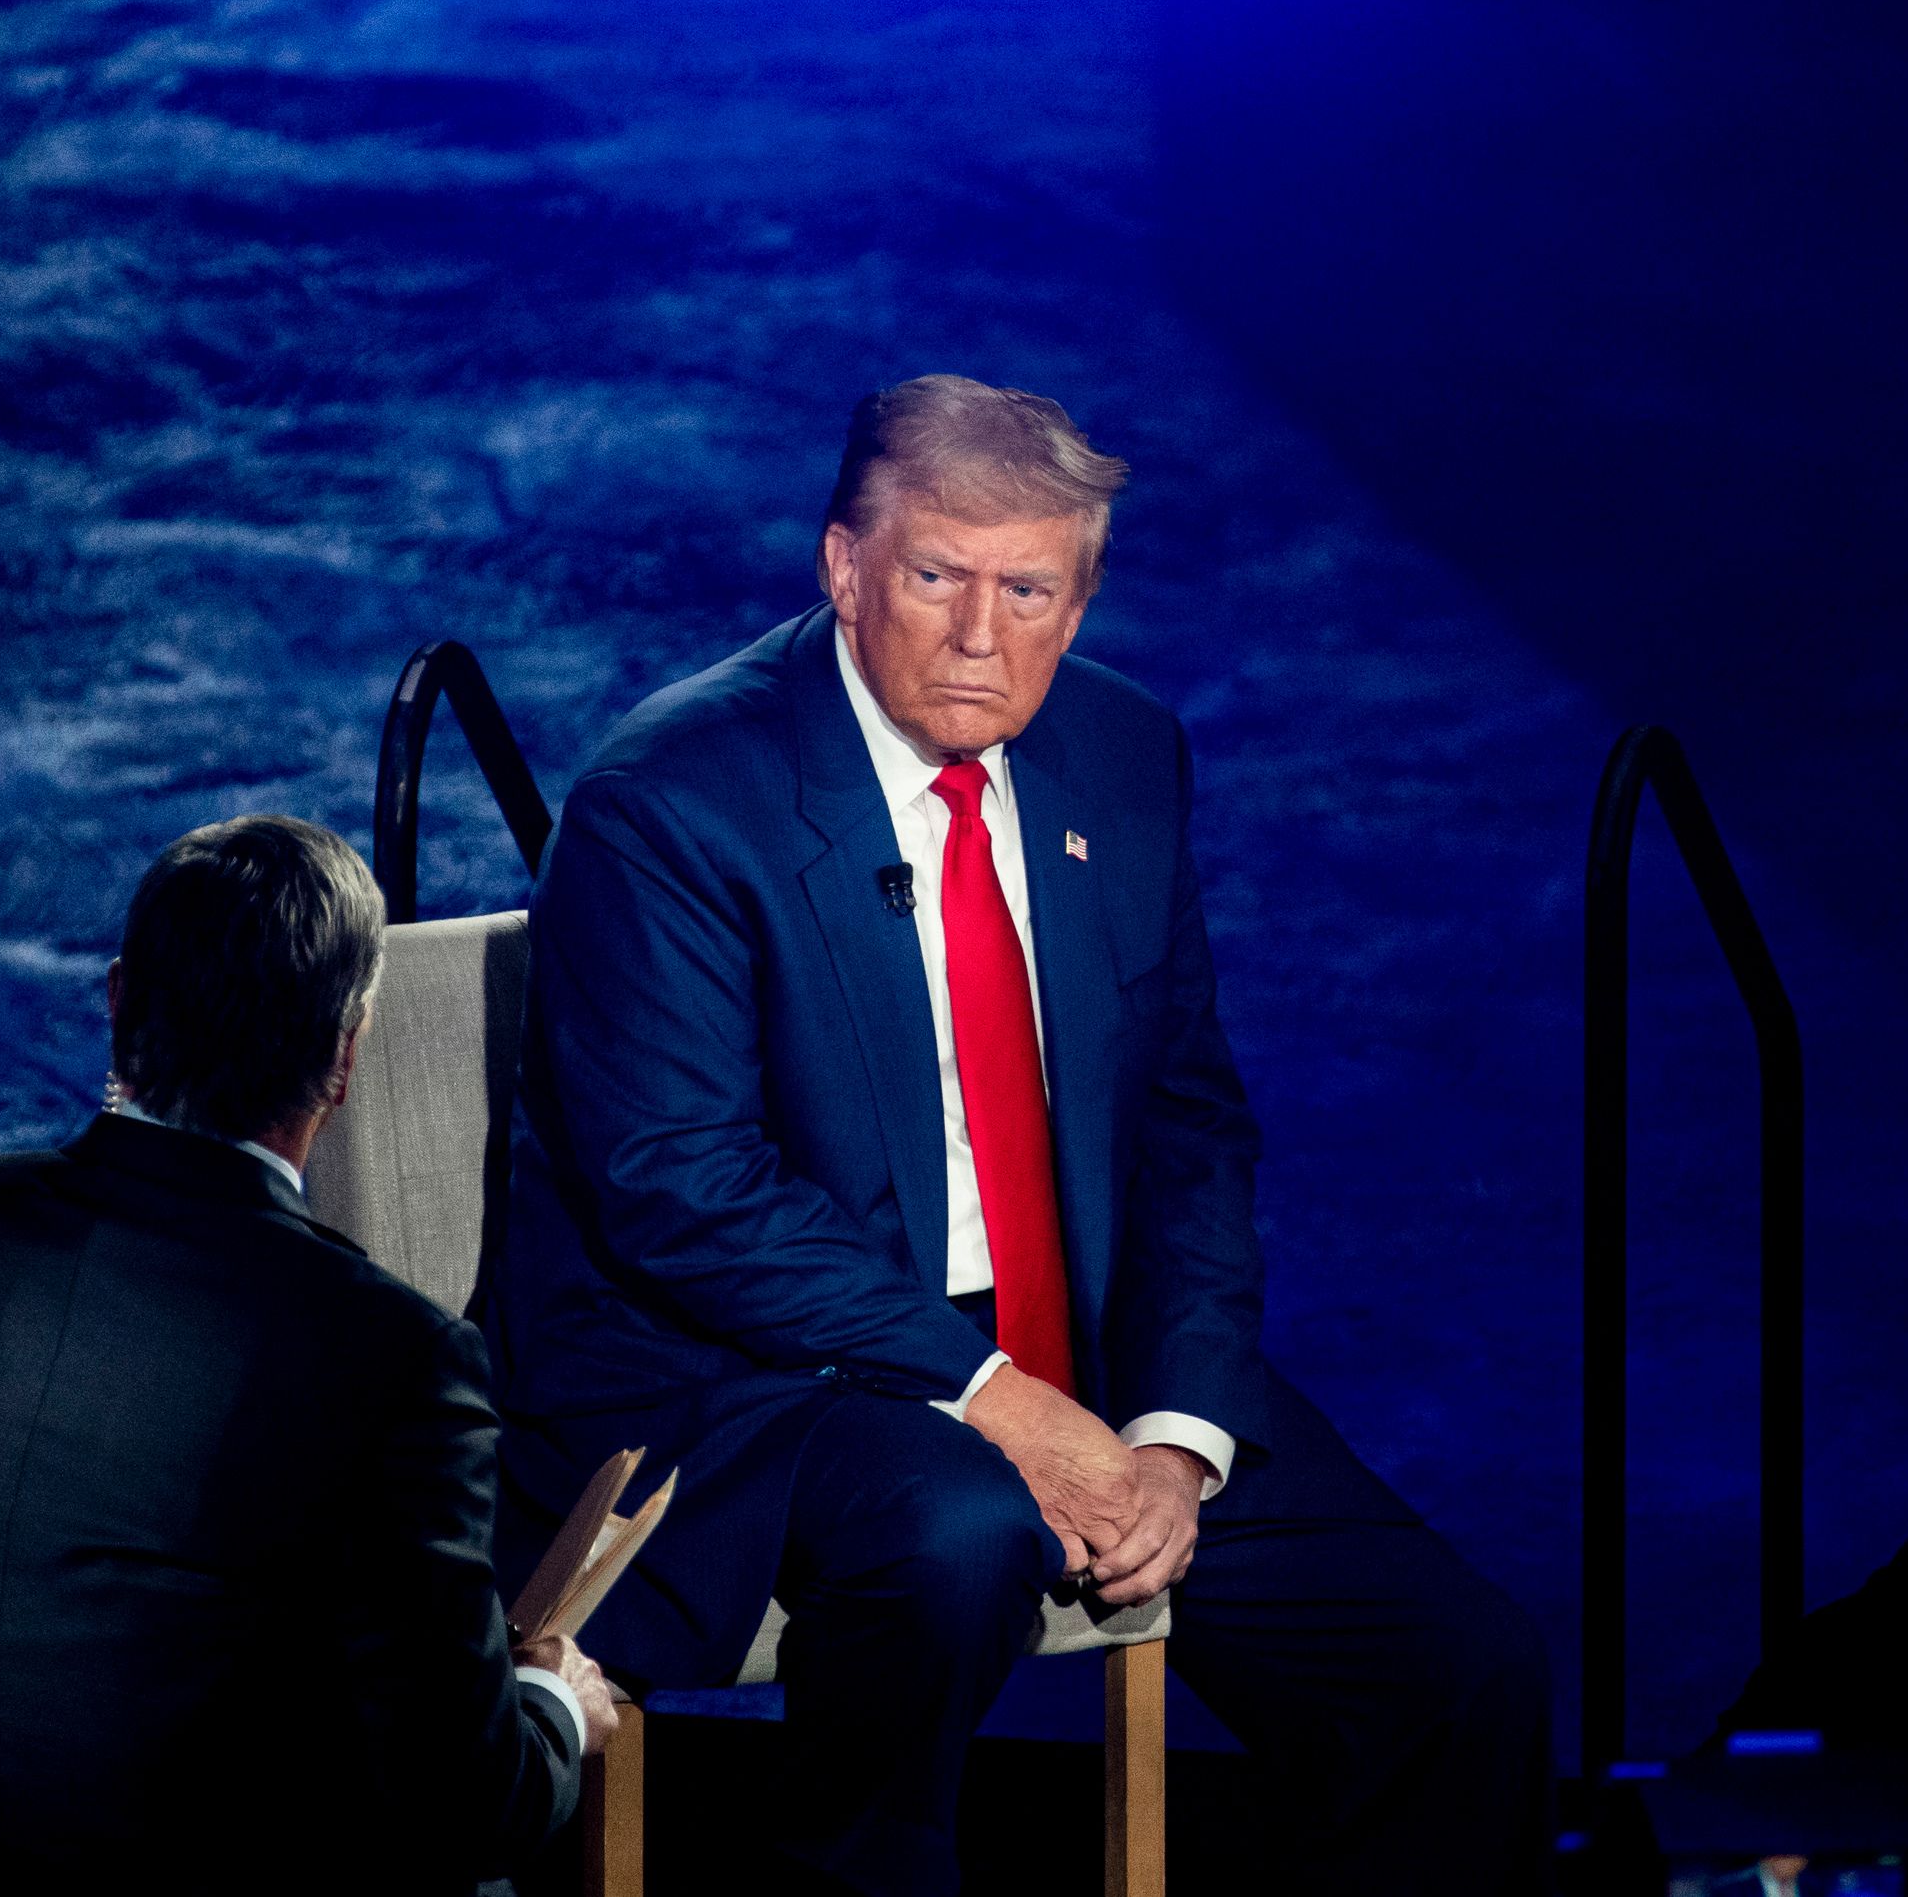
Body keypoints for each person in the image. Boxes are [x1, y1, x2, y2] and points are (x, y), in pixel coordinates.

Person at [486, 377, 1548, 1897]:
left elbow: (1183, 1120)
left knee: (1459, 1672)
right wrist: (997, 1396)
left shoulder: (1120, 755)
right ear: (844, 567)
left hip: (1077, 1346)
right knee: (961, 1531)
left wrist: (1178, 1434)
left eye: (1030, 587)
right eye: (937, 576)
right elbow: (688, 1194)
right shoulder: (669, 804)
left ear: (1083, 592)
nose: (983, 634)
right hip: (752, 1366)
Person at [0, 816, 616, 1897]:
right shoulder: (394, 1360)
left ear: (118, 1002)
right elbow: (470, 1808)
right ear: (345, 1055)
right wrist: (555, 1704)